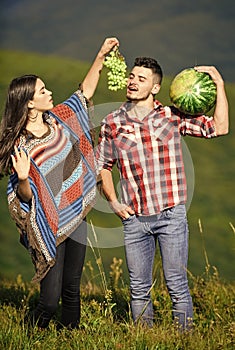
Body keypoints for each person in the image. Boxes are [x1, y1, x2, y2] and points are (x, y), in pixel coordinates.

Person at [96, 57, 229, 330]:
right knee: (138, 288)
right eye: (131, 76)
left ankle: (183, 339)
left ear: (155, 87)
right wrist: (113, 202)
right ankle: (145, 340)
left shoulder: (172, 116)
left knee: (177, 284)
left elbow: (220, 127)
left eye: (141, 79)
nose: (132, 82)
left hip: (171, 215)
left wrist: (219, 83)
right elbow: (102, 166)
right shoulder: (112, 122)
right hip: (135, 219)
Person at [0, 37, 119, 329]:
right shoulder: (21, 146)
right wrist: (25, 177)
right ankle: (31, 335)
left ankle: (70, 337)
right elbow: (25, 199)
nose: (49, 92)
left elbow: (84, 93)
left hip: (74, 213)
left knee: (72, 289)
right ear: (29, 102)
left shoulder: (59, 119)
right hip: (46, 224)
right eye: (42, 90)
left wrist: (101, 55)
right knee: (50, 299)